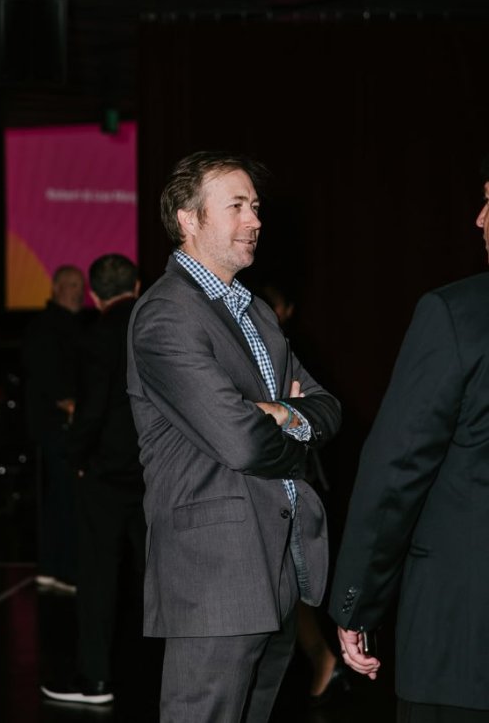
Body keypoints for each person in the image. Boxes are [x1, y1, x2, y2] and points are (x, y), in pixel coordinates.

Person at [127, 149, 342, 723]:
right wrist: (278, 420)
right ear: (189, 220)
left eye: (256, 206)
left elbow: (329, 408)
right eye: (237, 206)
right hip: (215, 577)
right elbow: (242, 442)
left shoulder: (257, 313)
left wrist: (282, 414)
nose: (255, 220)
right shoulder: (167, 316)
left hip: (274, 569)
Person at [328, 155, 489, 723]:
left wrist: (356, 602)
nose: (478, 218)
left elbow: (397, 471)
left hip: (464, 642)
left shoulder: (454, 314)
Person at [41, 253, 145, 706]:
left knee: (99, 577)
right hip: (156, 474)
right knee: (162, 575)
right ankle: (180, 675)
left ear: (95, 294)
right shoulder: (155, 329)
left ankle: (97, 679)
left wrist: (76, 457)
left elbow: (92, 412)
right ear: (138, 287)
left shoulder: (97, 336)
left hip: (106, 475)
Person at [256, 278, 350, 706]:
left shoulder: (288, 349)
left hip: (297, 478)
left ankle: (323, 657)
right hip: (290, 477)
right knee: (291, 583)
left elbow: (321, 407)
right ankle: (322, 658)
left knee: (294, 580)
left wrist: (284, 414)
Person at [21, 263, 86, 592]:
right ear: (58, 288)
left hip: (60, 424)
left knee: (60, 496)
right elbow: (51, 379)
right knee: (66, 496)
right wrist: (72, 406)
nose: (80, 292)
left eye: (81, 285)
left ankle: (52, 567)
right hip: (58, 426)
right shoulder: (48, 328)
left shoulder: (67, 327)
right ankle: (62, 570)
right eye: (74, 285)